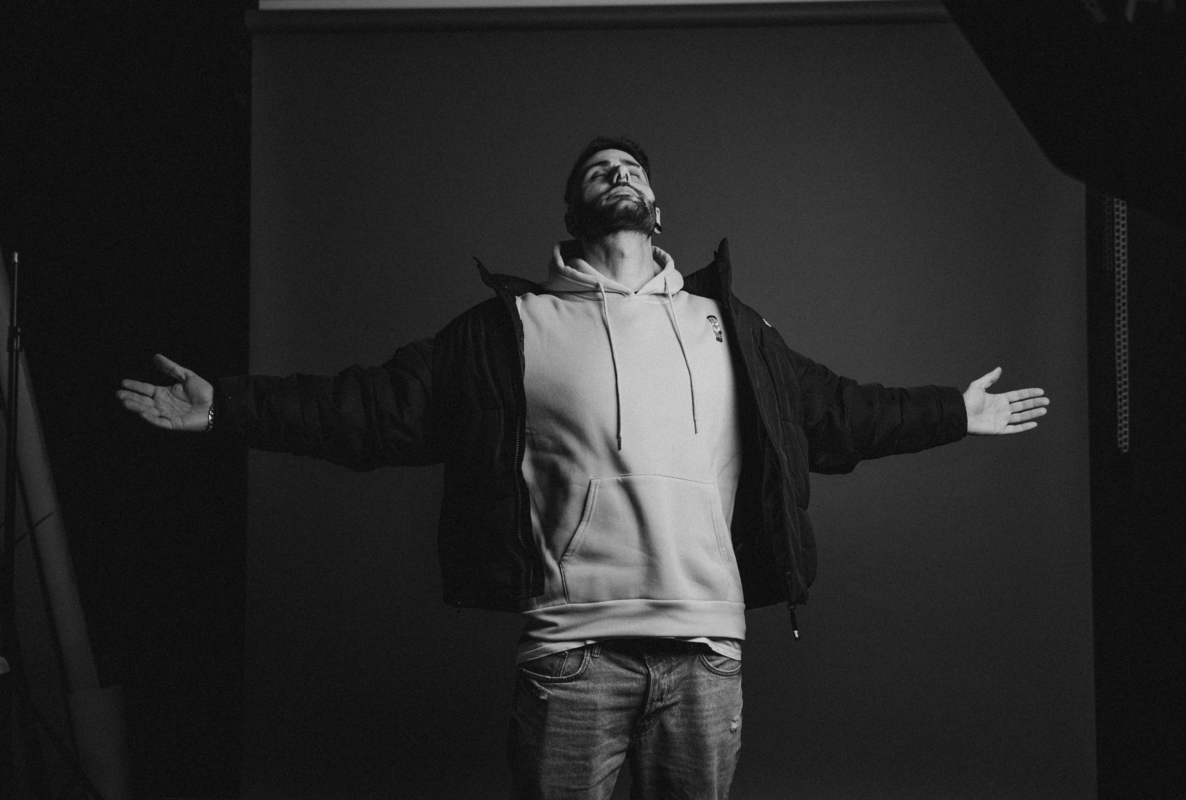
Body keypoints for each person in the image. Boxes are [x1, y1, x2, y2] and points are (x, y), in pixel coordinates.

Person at [117, 136, 1049, 800]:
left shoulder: (731, 328)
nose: (617, 173)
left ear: (656, 208)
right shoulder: (510, 331)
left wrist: (954, 412)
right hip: (572, 653)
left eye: (631, 167)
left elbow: (837, 413)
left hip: (706, 653)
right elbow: (371, 408)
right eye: (598, 169)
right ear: (573, 212)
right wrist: (226, 406)